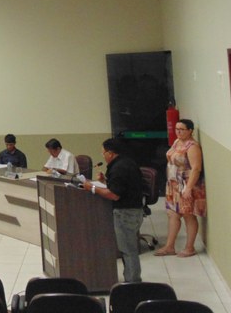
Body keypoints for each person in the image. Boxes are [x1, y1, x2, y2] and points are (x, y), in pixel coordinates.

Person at [82, 138, 143, 282]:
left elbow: (114, 195)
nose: (103, 156)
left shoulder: (119, 168)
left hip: (126, 213)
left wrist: (92, 187)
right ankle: (131, 279)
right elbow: (121, 186)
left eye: (103, 153)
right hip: (132, 210)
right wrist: (105, 181)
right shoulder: (125, 162)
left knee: (128, 250)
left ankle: (133, 282)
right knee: (128, 248)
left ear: (110, 153)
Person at [155, 119, 206, 257]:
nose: (178, 131)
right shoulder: (177, 141)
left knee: (188, 215)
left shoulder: (192, 146)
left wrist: (188, 188)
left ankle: (190, 247)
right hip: (173, 184)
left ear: (190, 131)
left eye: (182, 129)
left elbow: (196, 168)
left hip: (186, 185)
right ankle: (169, 246)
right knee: (172, 214)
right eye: (177, 129)